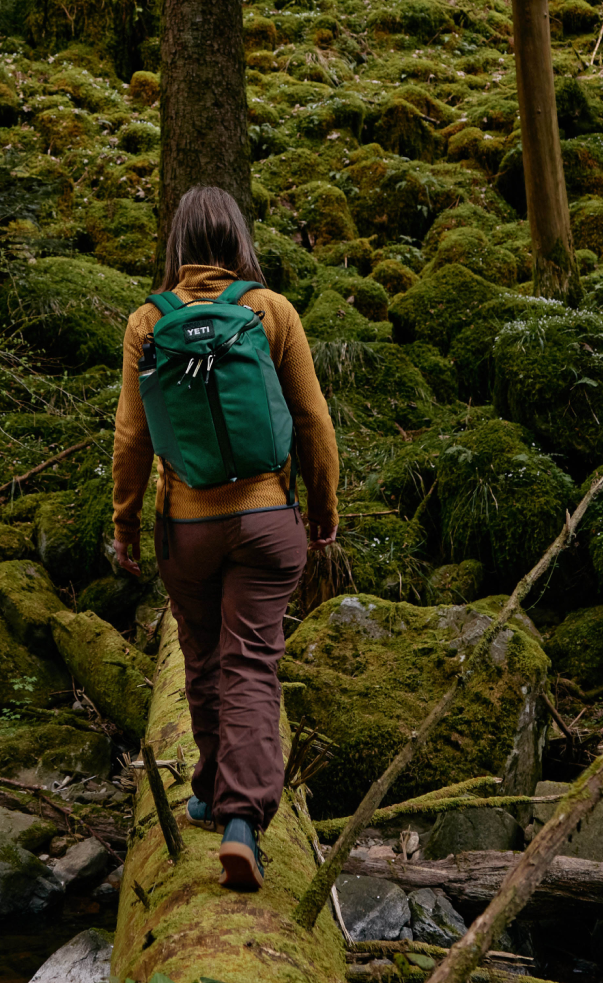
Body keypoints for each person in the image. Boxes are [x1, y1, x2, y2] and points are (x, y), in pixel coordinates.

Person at [110, 185, 339, 892]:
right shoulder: (271, 311)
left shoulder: (147, 322)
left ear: (176, 246)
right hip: (268, 522)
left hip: (187, 525)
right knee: (251, 664)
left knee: (204, 656)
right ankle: (241, 820)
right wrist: (325, 508)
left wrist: (123, 526)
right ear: (240, 241)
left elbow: (131, 439)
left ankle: (210, 789)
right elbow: (312, 422)